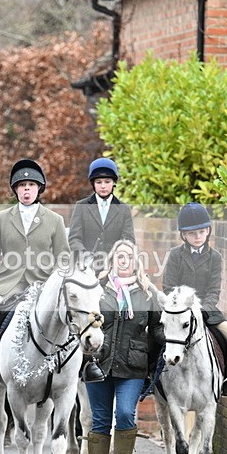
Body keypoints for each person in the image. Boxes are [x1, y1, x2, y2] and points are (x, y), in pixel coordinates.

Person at [0, 159, 70, 395]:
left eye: (31, 185)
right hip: (7, 284)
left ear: (39, 189)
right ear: (15, 189)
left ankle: (85, 366)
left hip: (42, 285)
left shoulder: (54, 220)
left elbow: (64, 259)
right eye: (22, 185)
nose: (26, 189)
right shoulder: (0, 219)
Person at [87, 239, 164, 454]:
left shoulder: (147, 293)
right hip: (99, 363)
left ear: (135, 262)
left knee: (124, 414)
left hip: (133, 366)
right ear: (112, 260)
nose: (123, 260)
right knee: (100, 419)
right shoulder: (97, 290)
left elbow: (156, 332)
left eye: (128, 256)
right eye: (119, 256)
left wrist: (151, 365)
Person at [162, 202, 227, 396]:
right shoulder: (174, 255)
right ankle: (149, 374)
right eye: (192, 233)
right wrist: (183, 308)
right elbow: (168, 287)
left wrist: (202, 309)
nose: (197, 237)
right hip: (178, 311)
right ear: (184, 235)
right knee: (152, 334)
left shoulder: (215, 257)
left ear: (208, 231)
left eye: (201, 232)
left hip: (206, 310)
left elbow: (214, 290)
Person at [68, 157, 136, 383]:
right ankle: (86, 362)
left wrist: (116, 260)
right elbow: (74, 237)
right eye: (98, 182)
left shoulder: (123, 209)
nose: (103, 186)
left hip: (114, 271)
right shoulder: (81, 207)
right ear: (93, 184)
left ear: (113, 183)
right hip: (87, 270)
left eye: (107, 181)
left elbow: (129, 240)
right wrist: (84, 254)